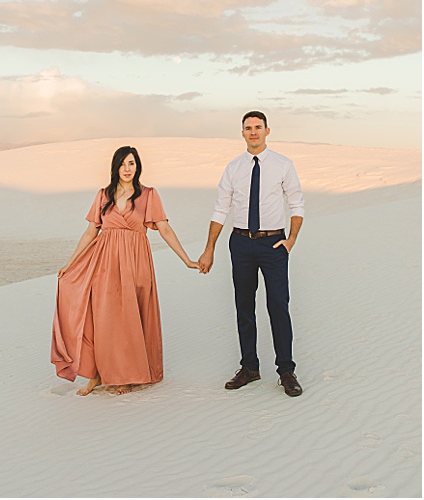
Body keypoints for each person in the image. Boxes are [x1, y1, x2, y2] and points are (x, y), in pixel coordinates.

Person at [52, 146, 198, 396]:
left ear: (138, 166)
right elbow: (90, 232)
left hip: (135, 262)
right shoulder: (103, 195)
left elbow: (164, 229)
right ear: (115, 167)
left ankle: (125, 375)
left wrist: (186, 259)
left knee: (129, 319)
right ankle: (96, 374)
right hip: (105, 262)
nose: (127, 169)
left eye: (132, 163)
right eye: (123, 164)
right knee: (101, 318)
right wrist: (70, 262)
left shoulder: (148, 195)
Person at [197, 111, 304, 397]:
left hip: (274, 244)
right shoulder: (234, 168)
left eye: (258, 127)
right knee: (244, 305)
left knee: (278, 305)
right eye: (248, 128)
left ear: (267, 131)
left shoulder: (283, 164)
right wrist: (209, 249)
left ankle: (286, 370)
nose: (253, 132)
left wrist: (291, 240)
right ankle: (250, 367)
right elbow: (221, 209)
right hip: (241, 243)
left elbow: (297, 204)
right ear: (242, 133)